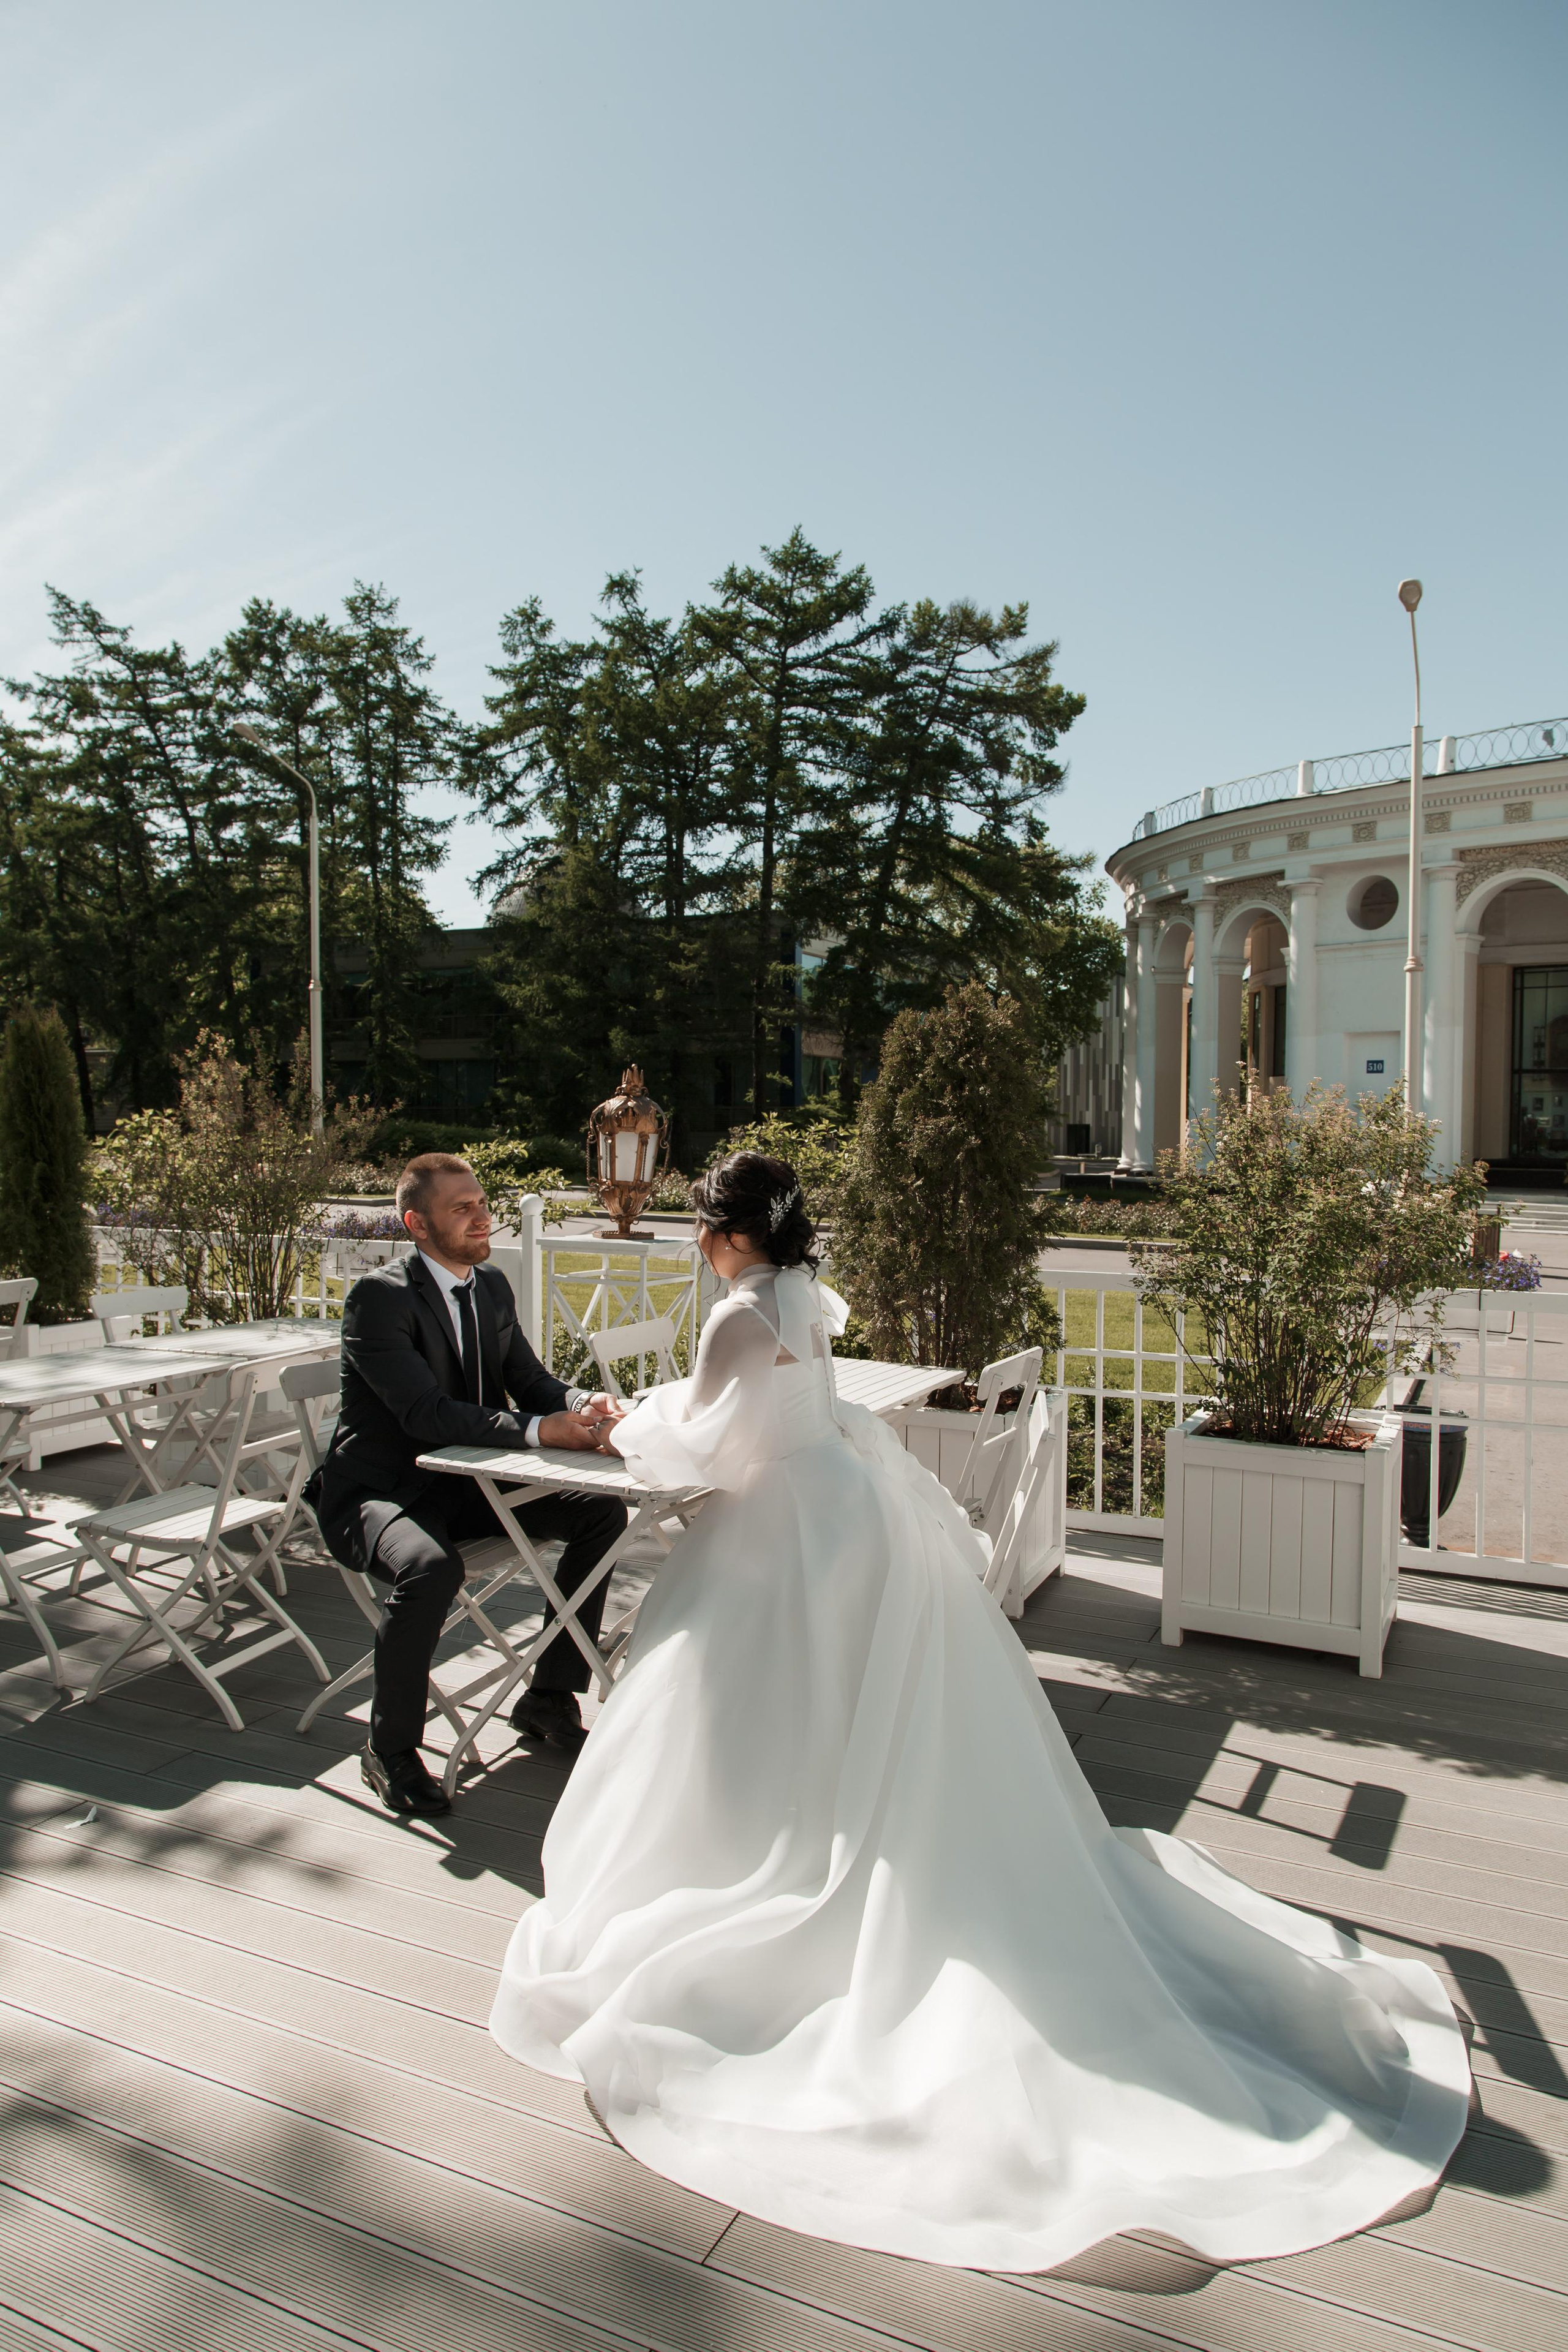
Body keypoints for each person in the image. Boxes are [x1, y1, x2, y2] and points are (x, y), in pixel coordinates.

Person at [489, 1150, 1471, 2273]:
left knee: (735, 1692)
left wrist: (613, 1428)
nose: (695, 1244)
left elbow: (713, 1440)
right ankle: (828, 1827)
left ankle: (778, 1855)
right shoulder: (799, 1293)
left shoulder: (737, 1312)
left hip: (785, 1531)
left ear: (727, 1234)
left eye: (700, 1230)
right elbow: (774, 1402)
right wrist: (661, 1411)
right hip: (849, 1513)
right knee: (844, 1703)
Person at [316, 1152, 627, 1819]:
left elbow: (535, 1381)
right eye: (461, 1207)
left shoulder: (490, 1286)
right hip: (380, 1494)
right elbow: (423, 1414)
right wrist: (544, 1433)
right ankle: (390, 1750)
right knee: (430, 1568)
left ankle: (547, 1694)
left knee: (601, 1512)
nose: (482, 1215)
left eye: (481, 1202)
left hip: (465, 1484)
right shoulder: (380, 1299)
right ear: (416, 1224)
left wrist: (582, 1403)